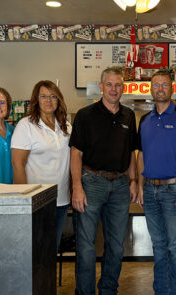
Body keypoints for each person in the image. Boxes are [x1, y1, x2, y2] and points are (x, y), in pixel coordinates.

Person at [69, 67, 138, 294]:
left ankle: (108, 290)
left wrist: (133, 181)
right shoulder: (85, 115)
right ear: (101, 87)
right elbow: (76, 154)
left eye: (118, 85)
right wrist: (77, 187)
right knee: (86, 247)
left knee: (116, 247)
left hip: (119, 186)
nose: (114, 89)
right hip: (91, 183)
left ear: (123, 88)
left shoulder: (129, 115)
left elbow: (131, 153)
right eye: (109, 84)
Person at [137, 70, 176, 294]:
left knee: (175, 245)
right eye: (156, 85)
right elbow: (141, 155)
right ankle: (162, 290)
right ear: (150, 89)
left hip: (175, 189)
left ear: (172, 89)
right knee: (159, 246)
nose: (160, 88)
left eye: (165, 85)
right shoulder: (145, 120)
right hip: (150, 189)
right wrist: (142, 185)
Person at [11, 80, 72, 252]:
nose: (48, 100)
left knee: (52, 248)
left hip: (61, 198)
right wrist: (24, 199)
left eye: (53, 96)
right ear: (36, 100)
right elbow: (17, 163)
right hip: (37, 200)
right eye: (43, 96)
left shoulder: (65, 126)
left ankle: (48, 281)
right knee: (36, 250)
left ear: (59, 99)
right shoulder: (26, 125)